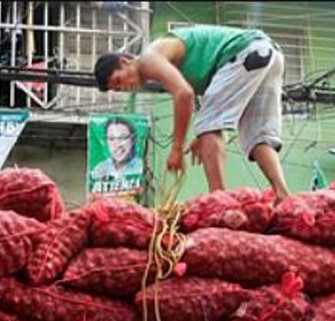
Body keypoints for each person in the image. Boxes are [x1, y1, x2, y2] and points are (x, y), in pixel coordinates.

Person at [93, 24, 290, 200]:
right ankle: (282, 194)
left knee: (208, 128)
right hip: (266, 54)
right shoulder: (164, 66)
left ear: (125, 61)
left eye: (119, 80)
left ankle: (219, 199)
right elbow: (202, 94)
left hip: (243, 52)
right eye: (117, 89)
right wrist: (201, 136)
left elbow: (184, 94)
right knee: (257, 137)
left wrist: (177, 149)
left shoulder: (149, 59)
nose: (124, 87)